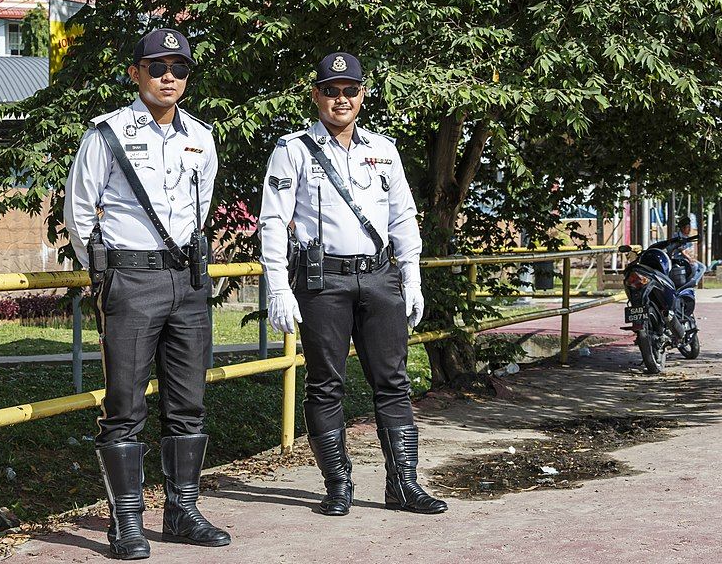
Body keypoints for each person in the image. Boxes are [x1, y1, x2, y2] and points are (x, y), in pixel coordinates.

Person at [64, 28, 230, 559]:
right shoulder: (106, 134)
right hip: (130, 280)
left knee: (189, 403)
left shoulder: (202, 137)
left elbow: (197, 208)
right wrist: (106, 275)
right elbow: (79, 212)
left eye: (178, 68)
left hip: (186, 280)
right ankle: (127, 522)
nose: (168, 76)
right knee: (125, 405)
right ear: (136, 72)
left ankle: (183, 512)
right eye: (157, 66)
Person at [259, 52, 447, 516]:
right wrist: (278, 287)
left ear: (363, 94)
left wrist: (412, 274)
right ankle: (337, 485)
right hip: (324, 281)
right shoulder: (294, 149)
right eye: (331, 90)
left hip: (380, 277)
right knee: (326, 384)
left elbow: (402, 215)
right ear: (316, 94)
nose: (340, 99)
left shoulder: (383, 149)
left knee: (394, 383)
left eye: (349, 90)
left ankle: (403, 485)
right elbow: (272, 222)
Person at [673, 216, 705, 281]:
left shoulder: (687, 237)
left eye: (690, 227)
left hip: (687, 258)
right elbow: (682, 250)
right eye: (688, 227)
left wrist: (692, 258)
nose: (690, 229)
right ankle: (688, 282)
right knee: (694, 266)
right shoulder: (677, 236)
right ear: (682, 228)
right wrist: (690, 259)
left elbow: (690, 250)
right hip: (679, 258)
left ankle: (693, 282)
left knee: (702, 267)